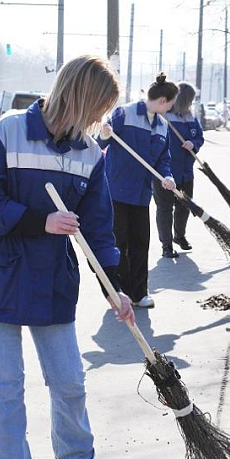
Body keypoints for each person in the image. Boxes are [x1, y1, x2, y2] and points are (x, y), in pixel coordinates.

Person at [0, 54, 134, 459]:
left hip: (52, 280)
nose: (101, 121)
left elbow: (99, 228)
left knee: (69, 379)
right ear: (80, 97)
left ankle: (78, 458)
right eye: (99, 109)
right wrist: (42, 220)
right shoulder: (6, 134)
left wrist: (115, 289)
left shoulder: (90, 155)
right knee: (6, 388)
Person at [97, 73, 178, 309]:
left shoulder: (162, 126)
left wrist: (167, 176)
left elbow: (164, 159)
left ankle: (139, 293)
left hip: (142, 194)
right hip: (116, 191)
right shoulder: (124, 114)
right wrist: (103, 134)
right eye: (171, 103)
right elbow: (101, 143)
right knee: (118, 243)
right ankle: (118, 292)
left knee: (141, 242)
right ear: (163, 100)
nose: (171, 107)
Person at [157, 82, 204, 257]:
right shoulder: (163, 117)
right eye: (190, 100)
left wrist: (194, 144)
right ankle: (166, 245)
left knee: (184, 206)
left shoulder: (191, 118)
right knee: (165, 208)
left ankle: (180, 236)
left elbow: (199, 137)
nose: (192, 103)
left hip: (186, 172)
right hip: (165, 173)